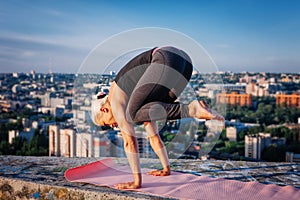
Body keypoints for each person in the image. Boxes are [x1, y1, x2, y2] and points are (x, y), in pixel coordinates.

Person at [91, 46, 224, 189]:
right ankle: (193, 108)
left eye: (107, 123)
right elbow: (154, 138)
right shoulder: (140, 103)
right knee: (145, 112)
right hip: (183, 62)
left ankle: (192, 108)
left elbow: (129, 142)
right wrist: (166, 169)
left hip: (166, 58)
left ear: (104, 109)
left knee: (133, 115)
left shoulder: (115, 100)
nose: (112, 126)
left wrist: (136, 182)